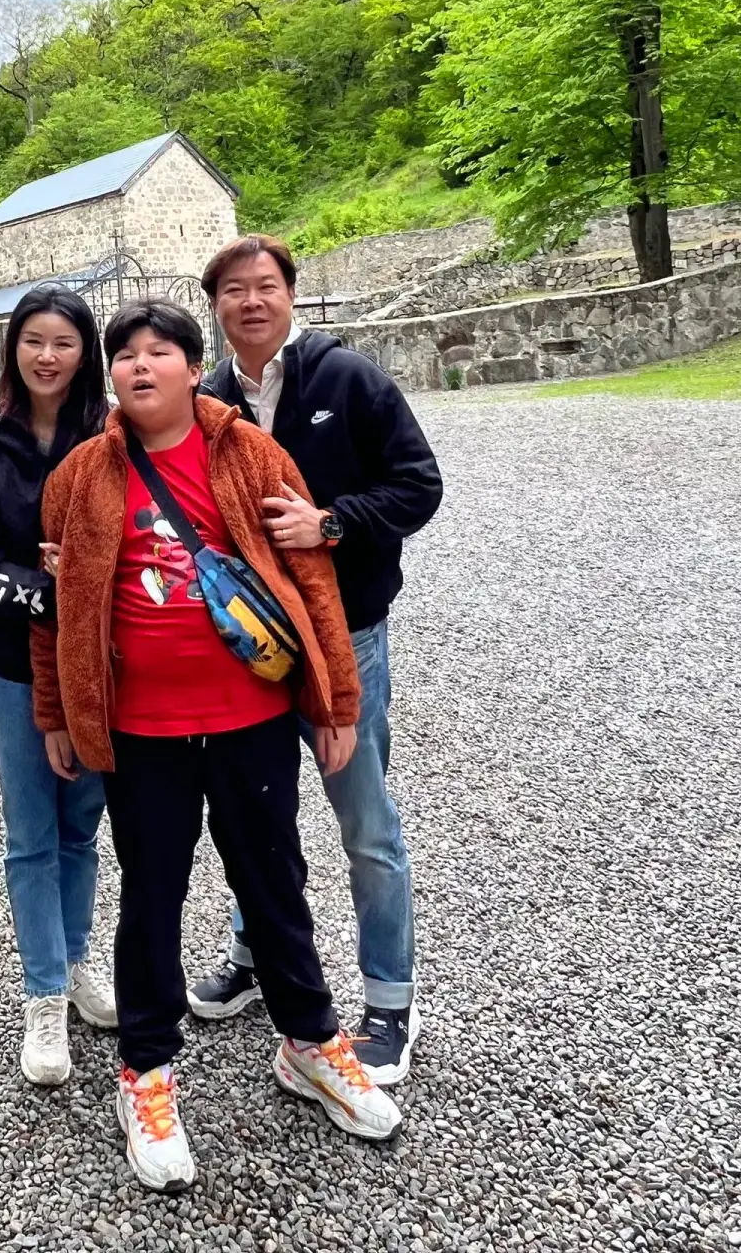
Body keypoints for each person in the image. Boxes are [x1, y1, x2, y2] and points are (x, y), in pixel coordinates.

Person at [33, 300, 402, 1193]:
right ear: (110, 377)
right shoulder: (81, 475)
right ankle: (147, 1075)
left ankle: (311, 1045)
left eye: (160, 352)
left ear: (193, 369)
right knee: (152, 901)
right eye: (125, 356)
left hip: (252, 722)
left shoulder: (249, 453)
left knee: (274, 885)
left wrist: (335, 699)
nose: (140, 366)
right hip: (143, 733)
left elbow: (310, 577)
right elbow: (61, 613)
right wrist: (56, 713)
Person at [187, 234, 443, 1087]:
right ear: (216, 306)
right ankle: (257, 957)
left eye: (266, 287)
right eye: (234, 291)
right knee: (258, 817)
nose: (251, 302)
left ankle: (389, 1002)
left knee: (366, 821)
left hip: (349, 638)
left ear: (291, 296)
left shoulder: (348, 379)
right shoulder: (210, 397)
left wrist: (330, 523)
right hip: (256, 652)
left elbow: (419, 486)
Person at [0, 286, 118, 1087]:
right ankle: (44, 994)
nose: (47, 356)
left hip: (98, 666)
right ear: (13, 348)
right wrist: (53, 592)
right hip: (15, 666)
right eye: (33, 341)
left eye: (64, 342)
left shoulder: (111, 435)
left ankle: (77, 959)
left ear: (85, 353)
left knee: (83, 824)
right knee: (31, 832)